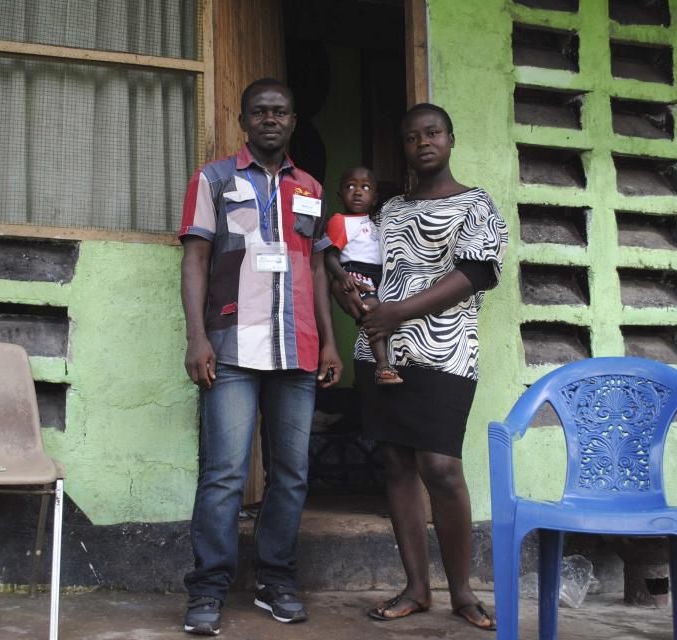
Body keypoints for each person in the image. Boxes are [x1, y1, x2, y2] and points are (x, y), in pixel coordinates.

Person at [178, 77, 343, 636]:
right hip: (229, 346)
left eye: (280, 111)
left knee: (291, 475)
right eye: (259, 112)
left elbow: (319, 269)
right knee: (224, 473)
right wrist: (196, 336)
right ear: (244, 121)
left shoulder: (313, 187)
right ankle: (208, 589)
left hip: (297, 350)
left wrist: (330, 340)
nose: (270, 119)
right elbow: (196, 259)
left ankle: (275, 580)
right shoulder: (214, 179)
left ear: (293, 121)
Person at [341, 103, 507, 631]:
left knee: (441, 468)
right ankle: (416, 587)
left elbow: (476, 273)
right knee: (395, 464)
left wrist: (398, 312)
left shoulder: (475, 204)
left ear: (451, 139)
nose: (423, 143)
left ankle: (463, 590)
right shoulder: (388, 211)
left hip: (446, 352)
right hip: (380, 352)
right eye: (412, 137)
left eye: (432, 133)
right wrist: (356, 299)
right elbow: (367, 269)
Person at [324, 167, 402, 384]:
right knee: (372, 311)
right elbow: (329, 257)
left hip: (377, 275)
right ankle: (383, 366)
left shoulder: (374, 223)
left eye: (365, 188)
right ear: (340, 195)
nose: (357, 192)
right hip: (355, 272)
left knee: (387, 312)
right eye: (350, 187)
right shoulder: (340, 221)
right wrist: (342, 277)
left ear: (374, 198)